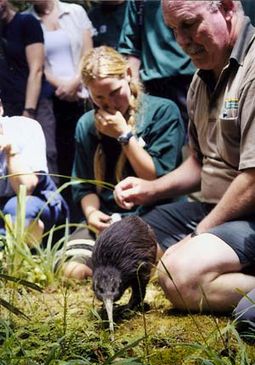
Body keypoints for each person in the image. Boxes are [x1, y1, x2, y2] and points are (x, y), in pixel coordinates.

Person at [114, 0, 255, 313]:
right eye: (173, 30)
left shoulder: (252, 72)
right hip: (213, 208)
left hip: (248, 216)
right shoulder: (201, 79)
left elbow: (252, 180)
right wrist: (150, 189)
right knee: (126, 241)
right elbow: (198, 162)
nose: (181, 40)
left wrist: (200, 233)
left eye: (189, 24)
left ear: (228, 8)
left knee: (177, 276)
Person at [60, 45, 185, 280]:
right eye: (99, 97)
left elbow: (154, 178)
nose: (110, 103)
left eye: (115, 92)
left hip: (152, 213)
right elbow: (83, 185)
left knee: (124, 266)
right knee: (74, 272)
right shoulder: (86, 125)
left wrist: (124, 136)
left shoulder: (162, 112)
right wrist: (91, 214)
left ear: (128, 74)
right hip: (106, 218)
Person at [27, 0, 94, 209]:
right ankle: (68, 210)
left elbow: (88, 51)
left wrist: (75, 81)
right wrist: (62, 86)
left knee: (87, 150)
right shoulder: (28, 20)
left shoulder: (75, 11)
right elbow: (36, 64)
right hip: (52, 99)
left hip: (83, 93)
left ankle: (90, 204)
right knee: (61, 155)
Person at [0, 0, 58, 178]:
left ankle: (50, 200)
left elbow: (36, 69)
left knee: (46, 153)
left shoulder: (26, 22)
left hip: (36, 102)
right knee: (13, 155)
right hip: (8, 105)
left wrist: (29, 110)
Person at [0, 99, 69, 244]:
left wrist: (10, 150)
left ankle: (23, 261)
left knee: (18, 209)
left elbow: (26, 186)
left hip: (37, 200)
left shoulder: (25, 128)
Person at [118, 0, 195, 128]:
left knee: (197, 136)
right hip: (153, 86)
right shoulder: (137, 2)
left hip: (191, 80)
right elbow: (131, 49)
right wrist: (135, 92)